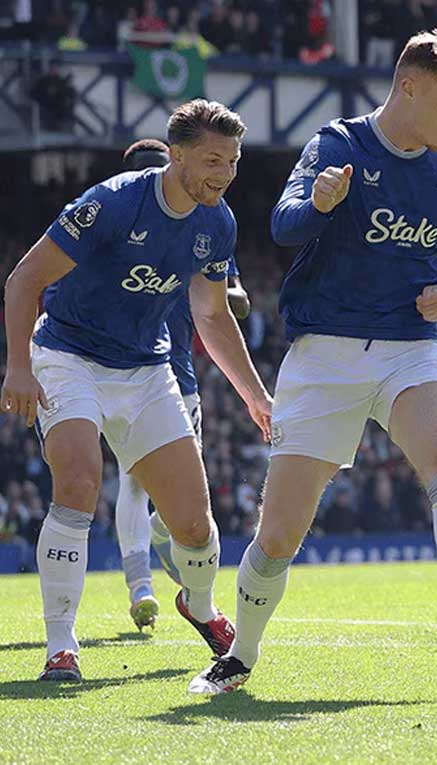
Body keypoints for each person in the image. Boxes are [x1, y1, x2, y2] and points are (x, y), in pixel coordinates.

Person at [188, 31, 437, 694]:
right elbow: (284, 226)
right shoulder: (339, 145)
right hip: (326, 353)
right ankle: (240, 655)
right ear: (409, 87)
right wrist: (319, 203)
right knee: (278, 536)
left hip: (412, 346)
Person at [1, 99, 272, 682]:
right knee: (79, 480)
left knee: (193, 527)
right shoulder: (112, 203)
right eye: (213, 160)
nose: (225, 174)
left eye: (232, 161)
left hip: (147, 369)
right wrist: (18, 365)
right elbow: (24, 278)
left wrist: (255, 395)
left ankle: (199, 606)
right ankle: (61, 644)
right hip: (68, 354)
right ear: (176, 156)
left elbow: (212, 314)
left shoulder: (217, 223)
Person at [112, 138, 253, 631]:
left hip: (179, 372)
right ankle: (140, 586)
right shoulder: (118, 218)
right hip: (127, 368)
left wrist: (225, 293)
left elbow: (232, 295)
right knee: (133, 477)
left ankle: (160, 537)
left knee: (178, 482)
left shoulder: (206, 221)